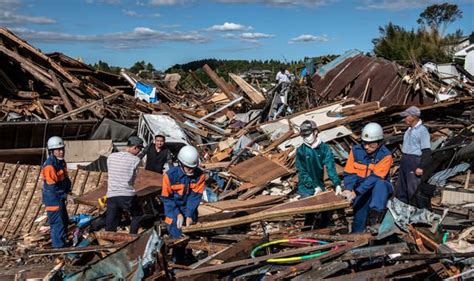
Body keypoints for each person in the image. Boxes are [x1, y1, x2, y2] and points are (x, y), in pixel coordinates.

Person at [341, 123, 393, 233]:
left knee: (380, 184)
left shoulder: (385, 155)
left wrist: (356, 192)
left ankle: (376, 214)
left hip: (376, 189)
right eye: (365, 143)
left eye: (370, 144)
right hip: (361, 188)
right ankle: (357, 237)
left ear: (379, 143)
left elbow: (375, 177)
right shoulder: (356, 151)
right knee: (359, 216)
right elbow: (350, 172)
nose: (366, 147)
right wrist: (348, 189)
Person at [161, 145, 205, 262]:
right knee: (178, 240)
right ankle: (178, 264)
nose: (191, 170)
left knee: (190, 236)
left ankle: (189, 257)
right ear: (180, 163)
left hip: (189, 209)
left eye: (193, 168)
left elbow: (194, 197)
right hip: (172, 210)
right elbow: (167, 198)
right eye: (188, 167)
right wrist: (177, 214)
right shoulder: (170, 176)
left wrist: (189, 215)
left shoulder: (199, 175)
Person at [296, 120, 341, 227]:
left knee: (326, 210)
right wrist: (314, 186)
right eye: (304, 135)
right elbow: (302, 172)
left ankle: (323, 230)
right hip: (306, 186)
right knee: (310, 211)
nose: (306, 137)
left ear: (315, 132)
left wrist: (337, 184)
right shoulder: (300, 150)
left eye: (308, 134)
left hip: (319, 184)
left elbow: (330, 167)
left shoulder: (324, 148)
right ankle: (306, 233)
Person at [105, 136, 144, 234]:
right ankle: (133, 236)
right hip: (126, 194)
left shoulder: (111, 157)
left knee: (111, 220)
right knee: (138, 215)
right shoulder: (135, 160)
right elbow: (133, 179)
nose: (139, 152)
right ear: (134, 147)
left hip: (111, 194)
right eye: (139, 149)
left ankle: (108, 241)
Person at [396, 106, 431, 205]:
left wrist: (421, 166)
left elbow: (426, 151)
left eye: (407, 116)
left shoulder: (422, 130)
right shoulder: (409, 130)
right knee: (402, 188)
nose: (405, 119)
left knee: (413, 188)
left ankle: (415, 211)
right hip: (405, 159)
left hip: (414, 160)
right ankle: (402, 210)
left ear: (413, 117)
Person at [41, 136, 72, 248]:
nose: (61, 152)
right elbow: (52, 187)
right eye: (58, 150)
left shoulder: (61, 162)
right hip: (53, 199)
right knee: (57, 224)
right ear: (52, 151)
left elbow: (65, 179)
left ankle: (63, 244)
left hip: (60, 198)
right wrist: (65, 195)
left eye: (62, 149)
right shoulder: (49, 166)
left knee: (64, 222)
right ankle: (59, 249)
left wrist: (68, 191)